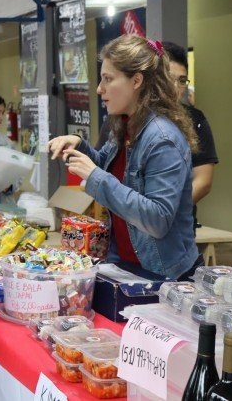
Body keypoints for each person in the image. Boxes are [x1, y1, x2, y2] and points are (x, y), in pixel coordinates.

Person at [49, 35, 202, 281]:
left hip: (164, 276)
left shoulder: (162, 139)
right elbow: (116, 174)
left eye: (108, 79)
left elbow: (157, 219)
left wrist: (95, 176)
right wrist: (81, 147)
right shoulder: (124, 125)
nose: (100, 88)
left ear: (136, 81)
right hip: (127, 265)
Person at [162, 42, 219, 214]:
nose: (175, 87)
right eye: (169, 79)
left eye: (181, 81)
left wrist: (166, 214)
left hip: (176, 223)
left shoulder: (195, 119)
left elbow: (203, 181)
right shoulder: (132, 116)